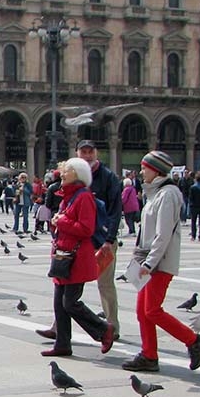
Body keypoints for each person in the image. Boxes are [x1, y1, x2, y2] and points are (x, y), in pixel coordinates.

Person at [122, 150, 200, 373]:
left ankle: (194, 340)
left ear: (156, 169)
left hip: (159, 262)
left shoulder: (167, 194)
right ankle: (149, 355)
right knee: (142, 311)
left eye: (144, 167)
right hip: (149, 260)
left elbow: (163, 235)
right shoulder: (155, 192)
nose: (141, 171)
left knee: (152, 310)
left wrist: (149, 263)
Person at [41, 158, 115, 358]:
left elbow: (86, 229)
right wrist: (57, 222)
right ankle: (62, 344)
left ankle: (103, 329)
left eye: (67, 171)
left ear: (79, 174)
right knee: (60, 303)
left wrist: (61, 221)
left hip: (76, 258)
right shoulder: (68, 197)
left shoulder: (83, 197)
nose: (62, 173)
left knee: (70, 303)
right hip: (63, 257)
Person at [78, 140, 123, 338]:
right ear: (78, 153)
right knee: (68, 284)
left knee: (105, 284)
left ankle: (112, 327)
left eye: (90, 152)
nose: (87, 156)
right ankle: (59, 326)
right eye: (84, 152)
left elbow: (115, 210)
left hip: (102, 240)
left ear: (96, 153)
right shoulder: (76, 175)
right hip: (81, 239)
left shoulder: (108, 177)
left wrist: (109, 239)